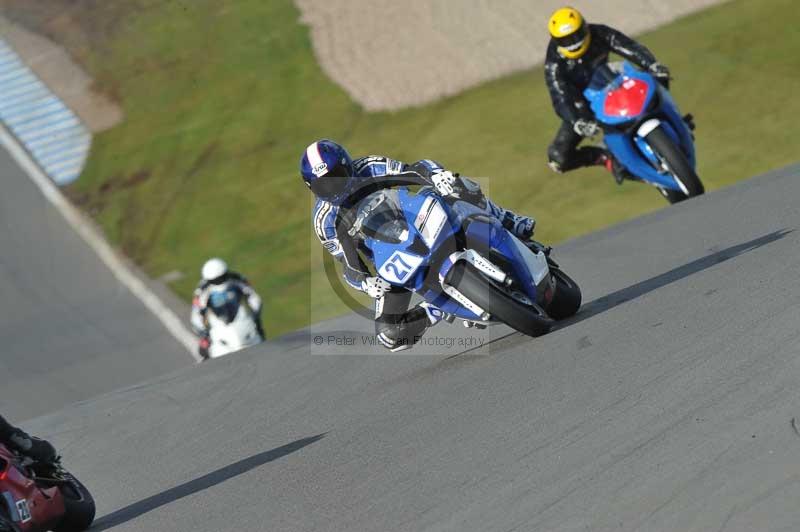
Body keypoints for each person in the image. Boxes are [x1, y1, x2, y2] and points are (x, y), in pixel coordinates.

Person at [302, 139, 537, 351]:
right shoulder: (325, 220)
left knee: (454, 186)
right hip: (390, 257)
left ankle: (508, 220)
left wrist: (437, 175)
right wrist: (365, 283)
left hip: (416, 219)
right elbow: (348, 263)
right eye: (324, 185)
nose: (334, 187)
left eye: (338, 176)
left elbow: (414, 169)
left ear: (348, 164)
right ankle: (434, 310)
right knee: (390, 335)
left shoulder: (369, 167)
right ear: (312, 189)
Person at [544, 6, 675, 183]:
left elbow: (629, 47)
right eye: (566, 40)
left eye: (576, 35)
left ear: (584, 27)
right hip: (583, 103)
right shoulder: (554, 63)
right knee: (558, 158)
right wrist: (577, 121)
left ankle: (673, 117)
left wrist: (651, 64)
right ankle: (605, 157)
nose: (574, 43)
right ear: (556, 41)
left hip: (612, 81)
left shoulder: (598, 32)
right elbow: (559, 97)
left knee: (656, 80)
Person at [190, 258, 265, 358]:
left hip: (241, 320)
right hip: (218, 326)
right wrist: (204, 333)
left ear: (225, 273)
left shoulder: (237, 279)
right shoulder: (202, 290)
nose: (219, 282)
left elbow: (253, 297)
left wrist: (255, 316)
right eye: (215, 280)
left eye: (221, 278)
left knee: (259, 333)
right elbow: (196, 313)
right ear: (208, 279)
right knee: (203, 350)